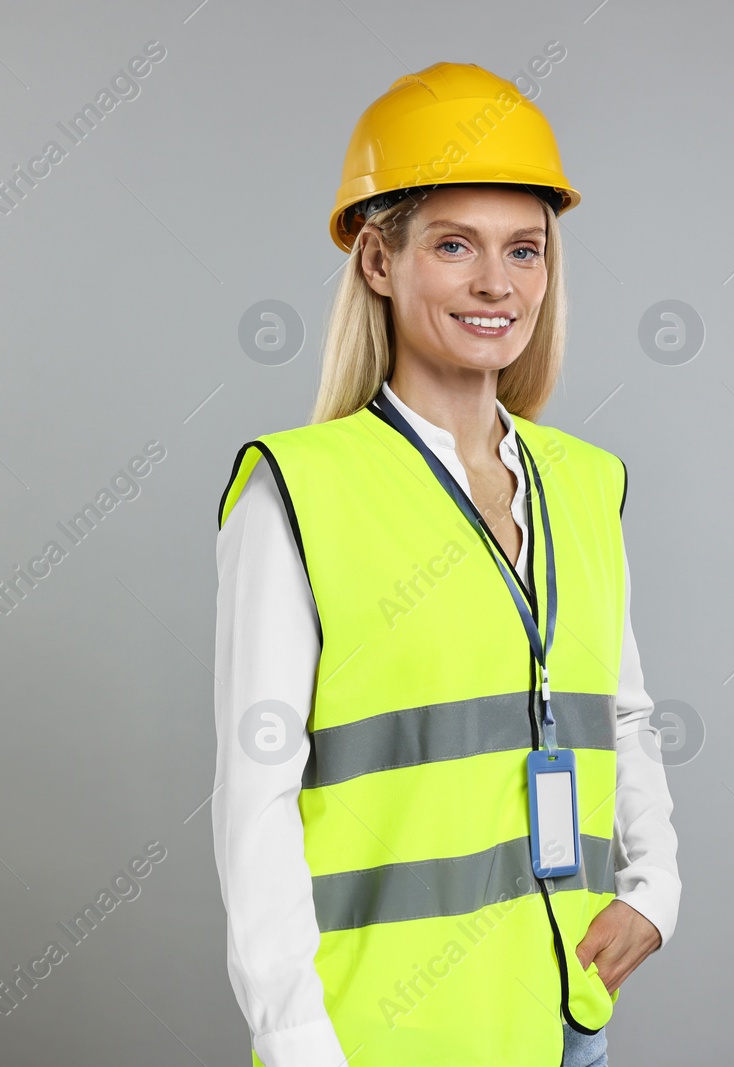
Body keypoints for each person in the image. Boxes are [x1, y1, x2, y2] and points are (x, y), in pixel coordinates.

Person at [213, 62, 681, 1067]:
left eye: (524, 248)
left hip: (563, 1018)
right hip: (377, 1034)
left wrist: (655, 888)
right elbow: (254, 787)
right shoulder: (297, 488)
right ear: (379, 261)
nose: (495, 284)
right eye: (453, 244)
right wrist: (295, 1035)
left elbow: (623, 714)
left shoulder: (584, 481)